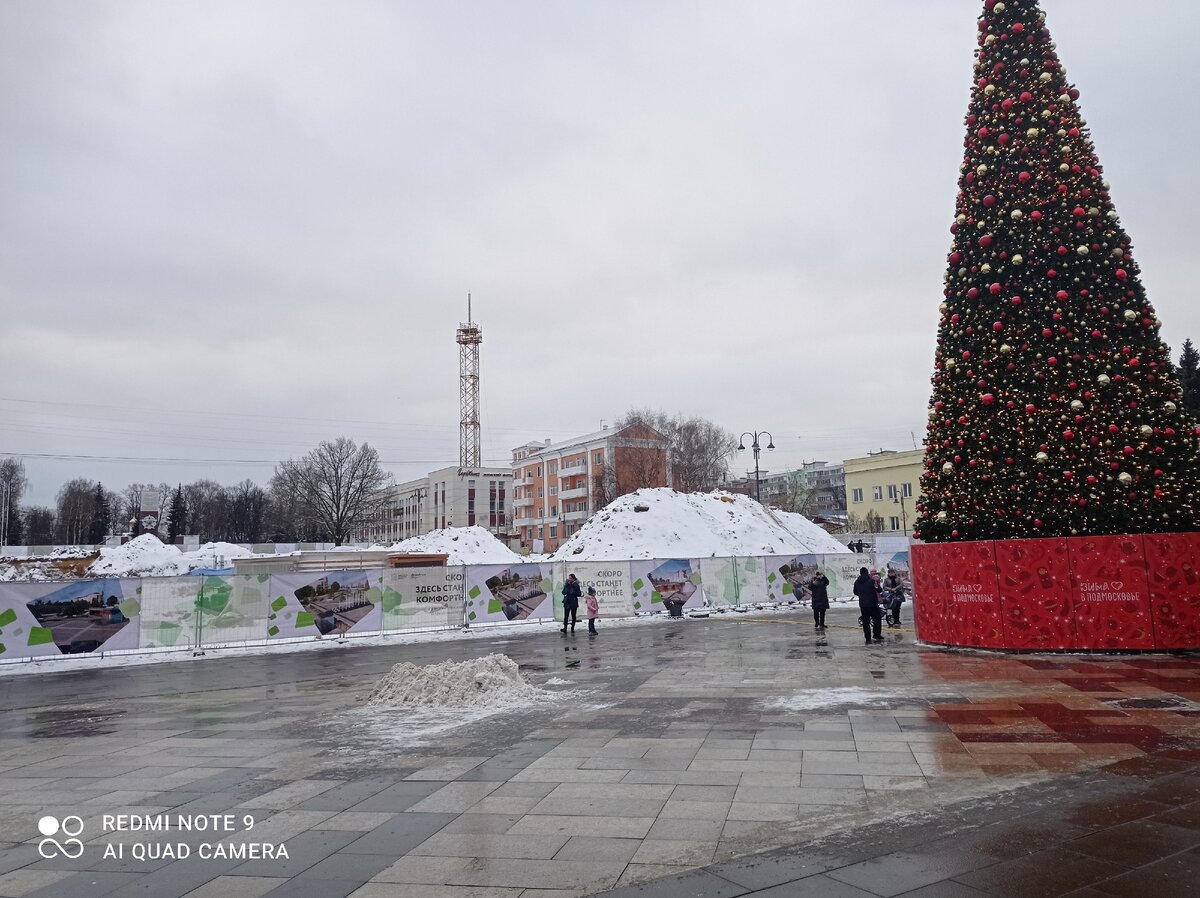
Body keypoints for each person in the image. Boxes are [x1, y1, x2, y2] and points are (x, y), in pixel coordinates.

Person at [854, 567, 883, 645]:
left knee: (866, 622)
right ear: (867, 573)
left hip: (863, 604)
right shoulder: (872, 581)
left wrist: (862, 595)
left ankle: (868, 637)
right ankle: (876, 634)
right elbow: (879, 590)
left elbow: (855, 592)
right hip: (873, 603)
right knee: (877, 619)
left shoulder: (857, 582)